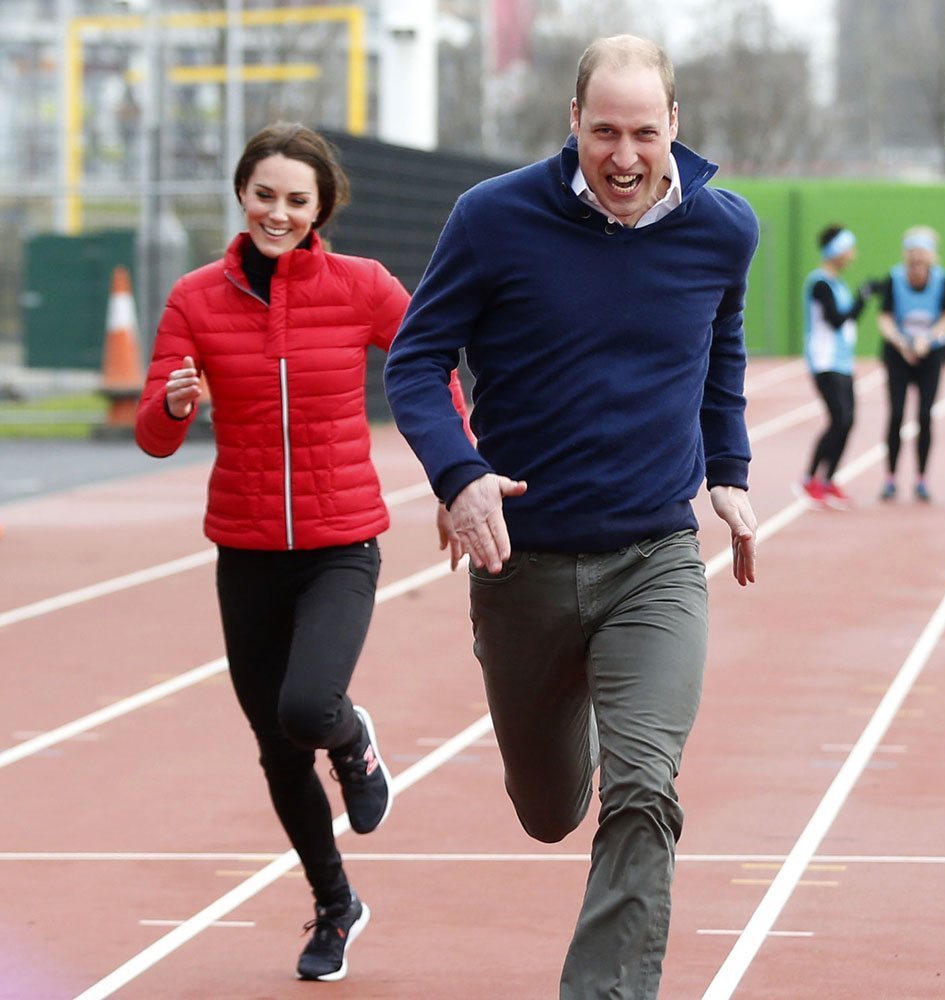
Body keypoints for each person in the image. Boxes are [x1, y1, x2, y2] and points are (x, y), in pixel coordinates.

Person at [382, 35, 759, 999]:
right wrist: (458, 476)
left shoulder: (723, 228)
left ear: (675, 124)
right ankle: (566, 715)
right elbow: (416, 363)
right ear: (574, 125)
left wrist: (730, 469)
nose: (625, 156)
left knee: (644, 791)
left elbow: (721, 354)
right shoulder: (492, 219)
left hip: (655, 559)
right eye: (605, 132)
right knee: (549, 812)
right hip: (524, 565)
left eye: (644, 131)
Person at [136, 122, 439, 982]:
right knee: (276, 750)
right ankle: (335, 906)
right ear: (243, 195)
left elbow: (425, 366)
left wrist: (460, 473)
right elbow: (154, 434)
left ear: (320, 209)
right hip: (247, 551)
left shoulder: (363, 286)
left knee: (309, 706)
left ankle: (356, 742)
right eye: (264, 194)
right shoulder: (196, 298)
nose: (278, 212)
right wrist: (175, 403)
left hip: (342, 542)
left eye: (296, 200)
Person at [877, 225, 945, 502]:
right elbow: (884, 317)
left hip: (930, 355)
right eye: (913, 261)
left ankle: (921, 478)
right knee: (896, 414)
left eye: (922, 262)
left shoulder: (942, 280)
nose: (917, 267)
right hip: (899, 354)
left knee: (924, 415)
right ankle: (890, 478)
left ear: (931, 260)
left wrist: (929, 339)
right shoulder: (895, 279)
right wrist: (901, 342)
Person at [800, 224, 874, 510]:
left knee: (848, 420)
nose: (852, 256)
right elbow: (836, 319)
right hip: (825, 361)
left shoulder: (838, 284)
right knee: (839, 418)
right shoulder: (820, 283)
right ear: (836, 252)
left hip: (842, 361)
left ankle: (828, 480)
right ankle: (809, 478)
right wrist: (862, 298)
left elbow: (847, 319)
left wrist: (861, 299)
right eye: (849, 250)